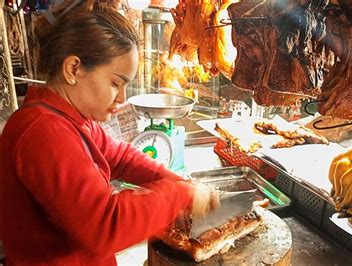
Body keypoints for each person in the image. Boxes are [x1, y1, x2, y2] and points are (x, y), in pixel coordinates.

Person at [0, 1, 219, 265]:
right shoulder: (43, 131)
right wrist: (179, 196)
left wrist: (178, 182)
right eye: (116, 83)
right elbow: (105, 226)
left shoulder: (70, 119)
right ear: (73, 69)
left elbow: (121, 156)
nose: (122, 98)